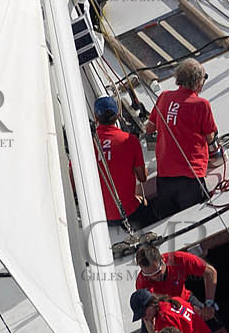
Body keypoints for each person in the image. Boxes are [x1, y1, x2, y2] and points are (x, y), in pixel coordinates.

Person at [144, 59, 218, 218]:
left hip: (165, 177)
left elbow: (149, 128)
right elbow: (209, 136)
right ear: (198, 81)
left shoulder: (164, 97)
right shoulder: (201, 104)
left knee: (169, 223)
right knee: (195, 219)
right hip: (191, 177)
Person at [92, 95, 149, 228]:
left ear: (96, 118)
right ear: (118, 115)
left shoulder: (87, 145)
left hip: (100, 217)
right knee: (145, 204)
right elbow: (142, 177)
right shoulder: (129, 140)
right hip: (129, 213)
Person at [134, 243, 219, 319]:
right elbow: (149, 311)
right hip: (164, 310)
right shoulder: (142, 283)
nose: (155, 277)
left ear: (163, 259)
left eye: (158, 272)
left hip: (185, 298)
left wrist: (209, 304)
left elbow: (210, 272)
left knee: (212, 320)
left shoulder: (178, 259)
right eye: (149, 275)